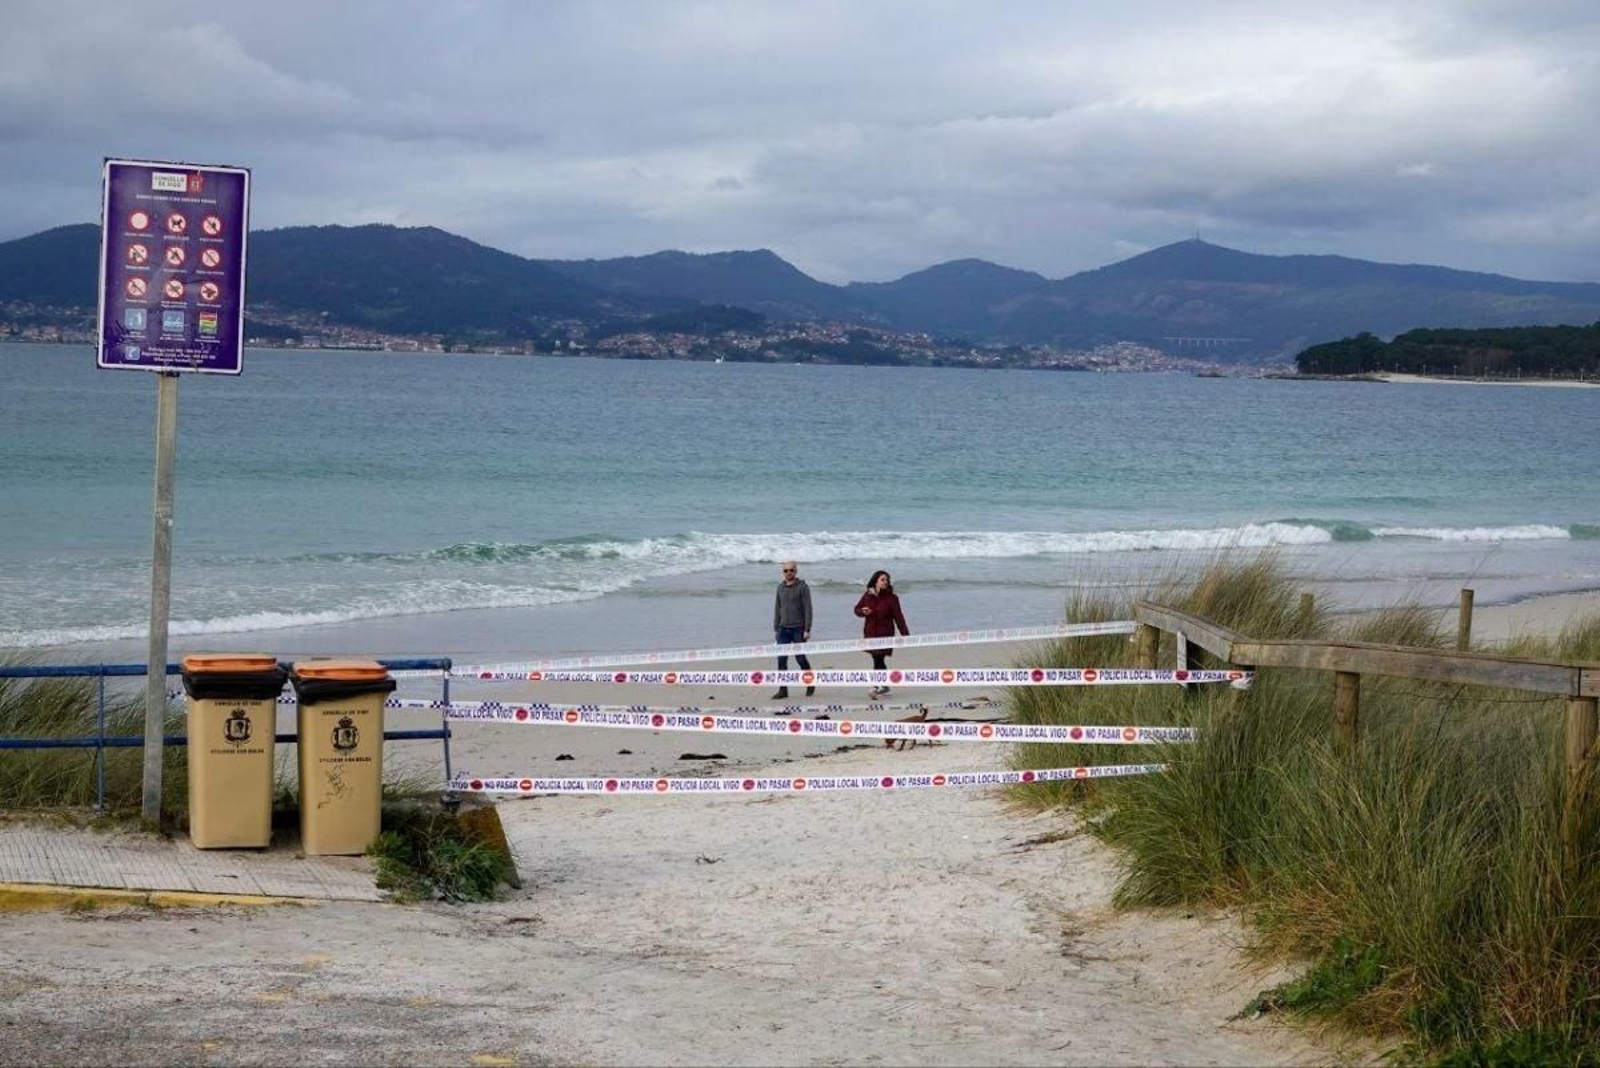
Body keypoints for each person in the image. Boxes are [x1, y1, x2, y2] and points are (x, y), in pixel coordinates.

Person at [853, 569, 909, 700]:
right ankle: (882, 685)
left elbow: (899, 617)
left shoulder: (892, 598)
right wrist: (863, 611)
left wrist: (905, 634)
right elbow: (856, 609)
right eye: (882, 580)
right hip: (871, 633)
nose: (885, 582)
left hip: (885, 633)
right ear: (876, 581)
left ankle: (878, 685)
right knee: (876, 658)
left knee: (879, 658)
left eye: (887, 580)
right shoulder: (867, 595)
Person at [771, 560, 814, 700]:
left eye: (791, 570)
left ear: (796, 571)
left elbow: (808, 608)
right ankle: (783, 689)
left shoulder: (802, 587)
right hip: (783, 628)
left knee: (800, 658)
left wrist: (807, 628)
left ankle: (810, 682)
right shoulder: (780, 588)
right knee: (781, 660)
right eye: (786, 570)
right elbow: (777, 608)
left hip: (798, 628)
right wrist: (776, 628)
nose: (788, 573)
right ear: (782, 572)